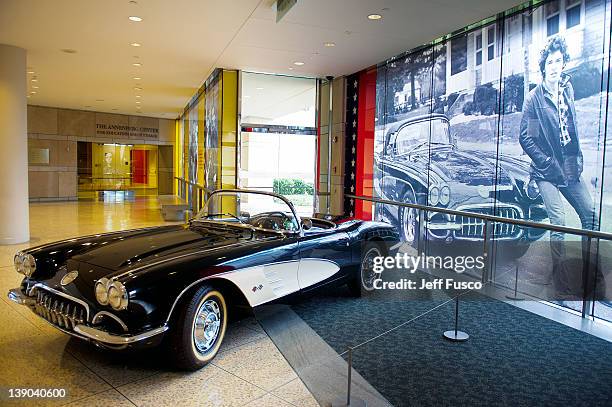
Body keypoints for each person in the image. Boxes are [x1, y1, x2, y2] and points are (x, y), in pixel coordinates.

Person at [519, 35, 605, 302]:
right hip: (547, 171)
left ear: (563, 63)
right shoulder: (534, 98)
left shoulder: (567, 89)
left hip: (570, 167)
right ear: (543, 66)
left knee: (591, 217)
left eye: (559, 61)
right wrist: (546, 163)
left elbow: (572, 129)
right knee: (559, 222)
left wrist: (576, 161)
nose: (555, 66)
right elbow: (527, 138)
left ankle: (593, 281)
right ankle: (561, 284)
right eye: (550, 62)